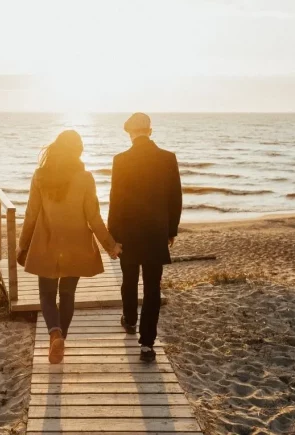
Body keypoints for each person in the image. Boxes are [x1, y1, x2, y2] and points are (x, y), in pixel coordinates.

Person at [17, 130, 122, 364]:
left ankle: (54, 332)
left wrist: (22, 245)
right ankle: (61, 337)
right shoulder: (85, 178)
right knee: (67, 294)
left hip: (46, 242)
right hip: (76, 244)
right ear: (78, 152)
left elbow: (31, 214)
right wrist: (110, 245)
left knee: (46, 293)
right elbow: (93, 218)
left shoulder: (40, 176)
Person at [108, 113, 182, 362]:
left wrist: (113, 236)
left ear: (130, 133)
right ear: (150, 131)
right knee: (152, 288)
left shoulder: (121, 160)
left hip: (128, 233)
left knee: (129, 280)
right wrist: (171, 230)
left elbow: (115, 201)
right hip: (155, 232)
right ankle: (147, 344)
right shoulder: (167, 158)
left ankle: (129, 321)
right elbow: (175, 198)